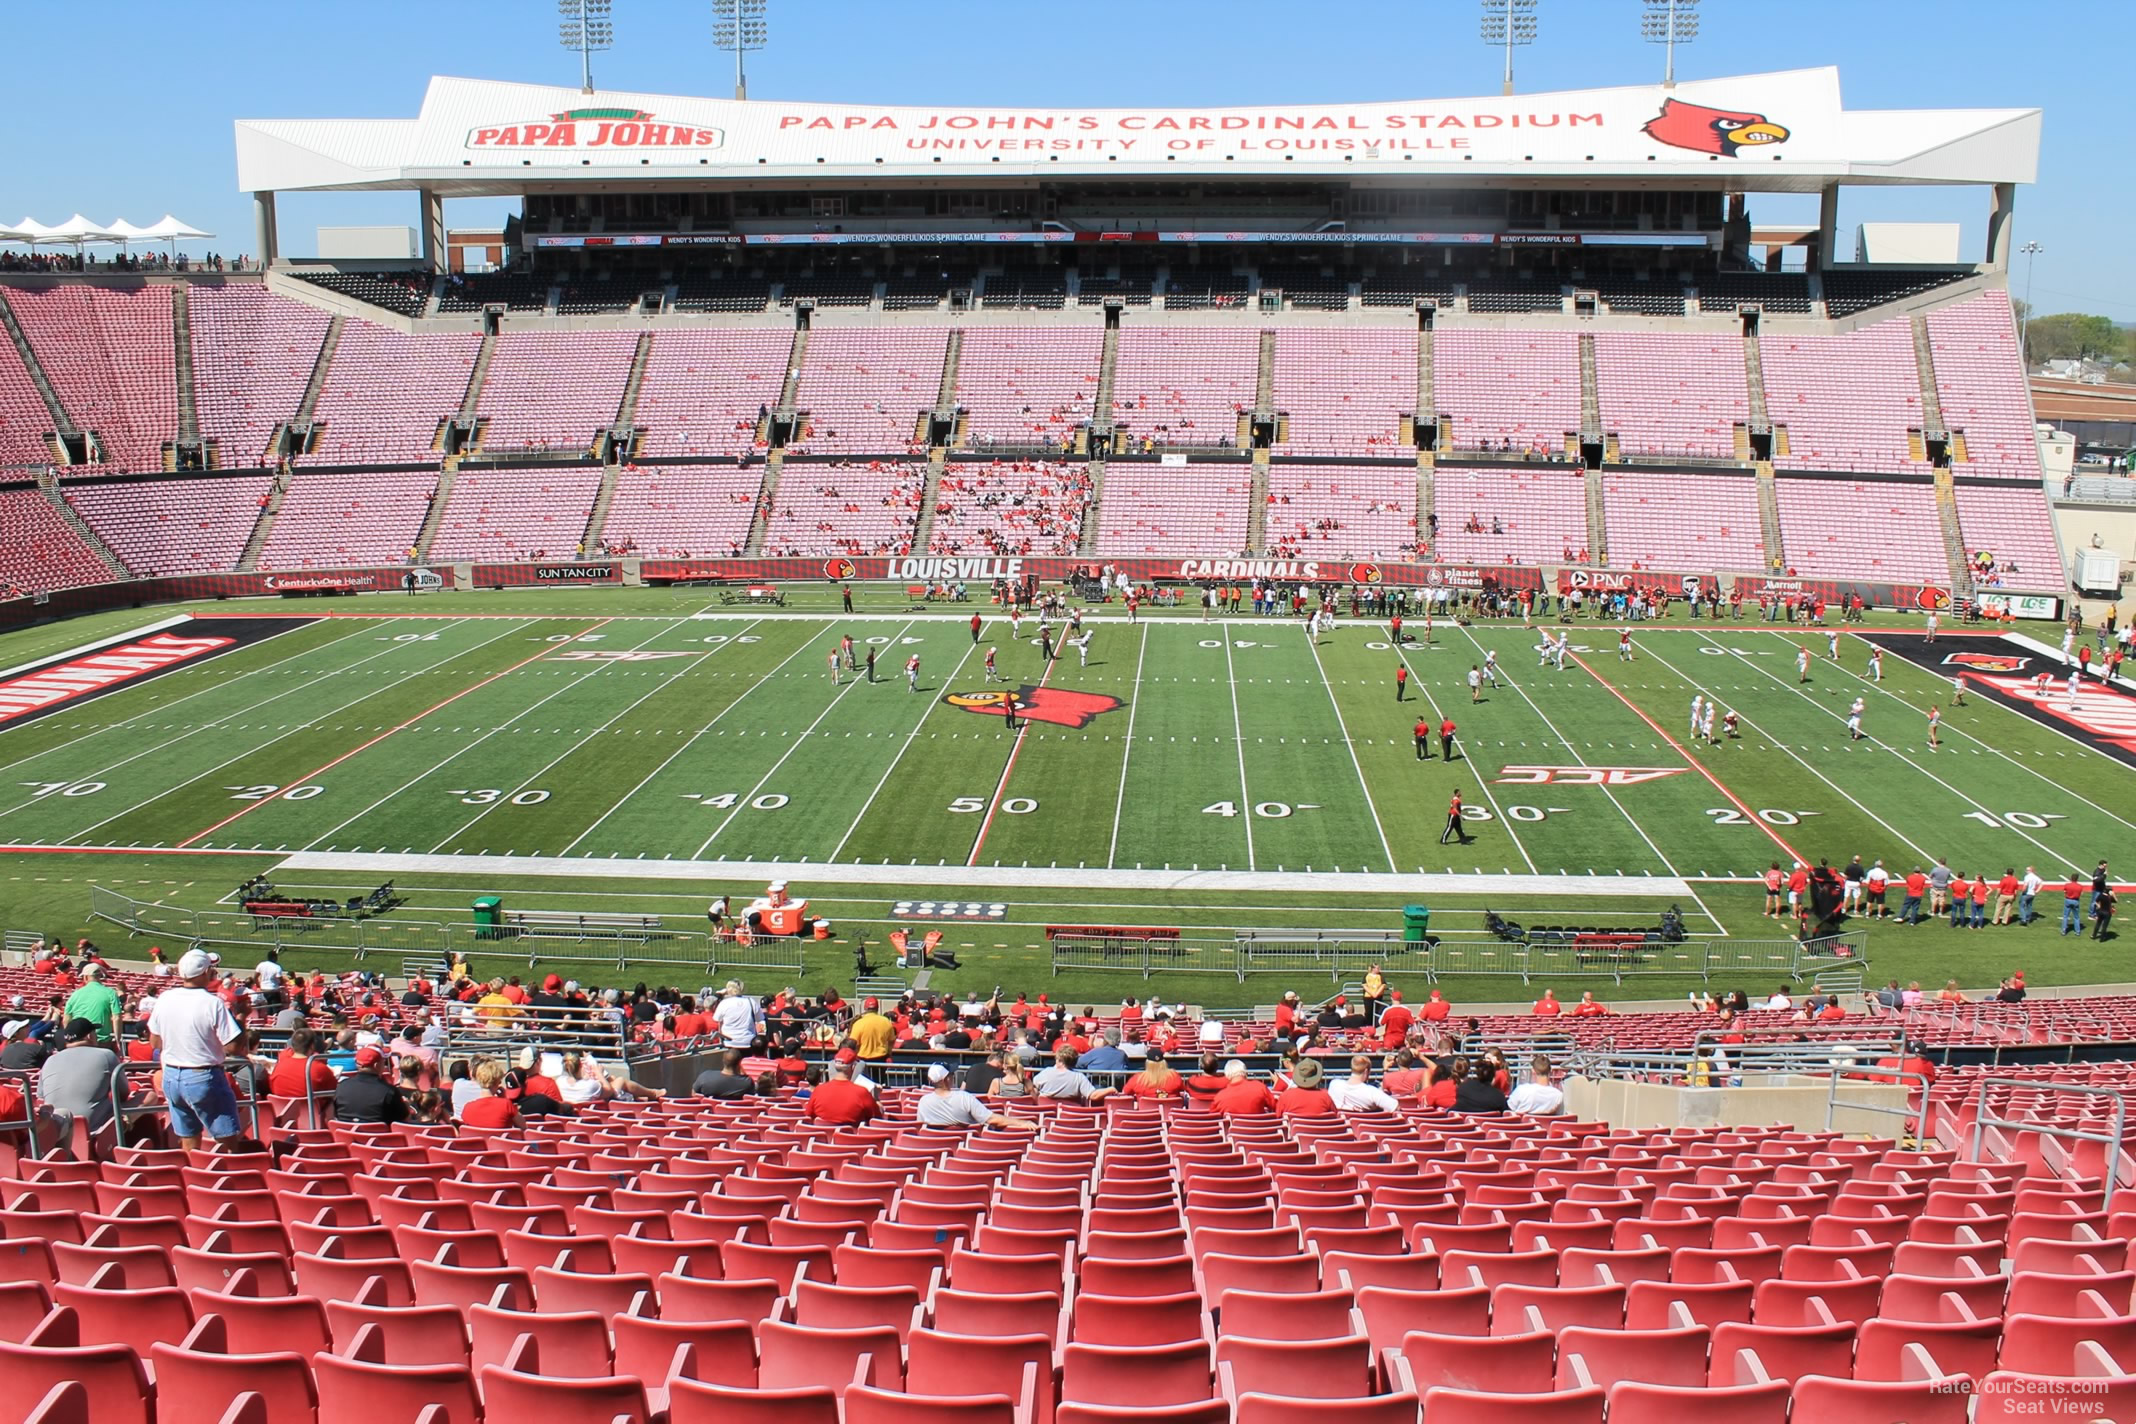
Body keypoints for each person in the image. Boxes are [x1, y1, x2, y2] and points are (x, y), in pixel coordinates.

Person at [147, 948, 246, 1152]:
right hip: (202, 1075)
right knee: (228, 1140)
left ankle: (195, 1179)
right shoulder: (212, 1003)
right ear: (203, 973)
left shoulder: (165, 998)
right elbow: (234, 1046)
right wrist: (242, 1020)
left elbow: (155, 1042)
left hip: (172, 1075)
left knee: (188, 1138)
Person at [36, 1019, 123, 1139]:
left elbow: (41, 1097)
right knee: (150, 1097)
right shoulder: (106, 1055)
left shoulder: (50, 1060)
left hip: (56, 1130)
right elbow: (123, 1094)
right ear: (89, 1036)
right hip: (92, 1132)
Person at [915, 1063, 1038, 1130]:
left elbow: (921, 1127)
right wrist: (1022, 1122)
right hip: (964, 1149)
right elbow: (991, 1119)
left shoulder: (923, 1101)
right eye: (952, 1074)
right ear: (947, 1079)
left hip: (936, 1152)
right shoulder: (964, 1097)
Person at [333, 1045, 410, 1125]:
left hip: (346, 1135)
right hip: (379, 1136)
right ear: (376, 1065)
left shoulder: (341, 1087)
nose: (385, 1065)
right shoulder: (389, 1091)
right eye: (384, 1062)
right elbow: (404, 1121)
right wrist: (406, 1107)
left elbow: (336, 1115)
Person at [804, 1055, 881, 1125]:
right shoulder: (862, 1092)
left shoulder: (818, 1090)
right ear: (853, 1067)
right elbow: (877, 1118)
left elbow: (808, 1116)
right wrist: (877, 1099)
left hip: (823, 1140)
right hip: (853, 1139)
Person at [268, 1028, 337, 1099]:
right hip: (315, 1109)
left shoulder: (279, 1066)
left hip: (281, 1109)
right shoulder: (319, 1068)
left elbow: (273, 1089)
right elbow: (334, 1090)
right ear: (312, 1046)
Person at [63, 963, 121, 1045]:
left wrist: (69, 1040)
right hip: (102, 1041)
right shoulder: (110, 993)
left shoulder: (75, 994)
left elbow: (66, 1019)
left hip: (79, 1040)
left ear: (85, 977)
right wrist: (117, 1040)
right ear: (99, 976)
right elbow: (116, 1018)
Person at [1034, 1047, 1116, 1104]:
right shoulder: (1079, 1077)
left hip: (1047, 1115)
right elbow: (1093, 1095)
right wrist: (1110, 1089)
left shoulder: (1046, 1072)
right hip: (1071, 1116)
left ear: (1058, 1059)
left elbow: (1033, 1087)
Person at [1328, 1054, 1399, 1113]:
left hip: (1342, 1128)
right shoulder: (1373, 1092)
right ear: (1366, 1071)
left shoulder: (1334, 1084)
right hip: (1367, 1128)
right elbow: (1396, 1107)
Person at [1210, 1060, 1276, 1116]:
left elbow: (1213, 1118)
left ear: (1227, 1075)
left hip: (1233, 1130)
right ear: (1244, 1072)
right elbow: (1274, 1106)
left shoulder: (1220, 1097)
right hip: (1260, 1129)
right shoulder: (1259, 1087)